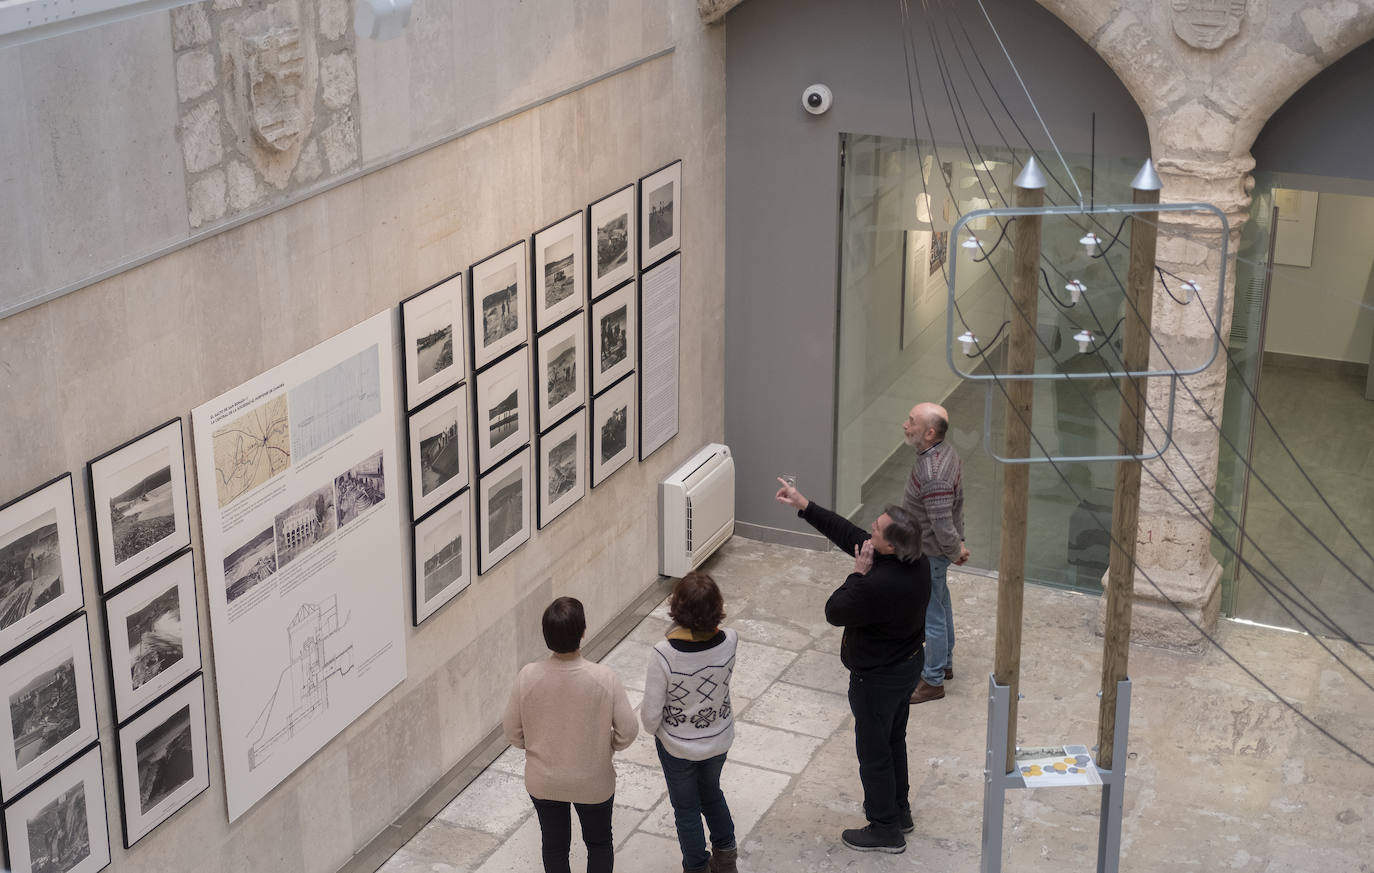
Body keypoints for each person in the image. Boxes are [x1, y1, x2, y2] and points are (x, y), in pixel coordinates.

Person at [775, 480, 930, 854]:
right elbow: (851, 535)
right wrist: (804, 504)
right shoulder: (916, 560)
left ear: (889, 545)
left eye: (876, 530)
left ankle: (885, 829)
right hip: (907, 666)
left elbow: (834, 611)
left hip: (877, 679)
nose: (869, 531)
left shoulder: (877, 584)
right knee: (893, 741)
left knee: (874, 752)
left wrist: (857, 575)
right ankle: (900, 811)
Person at [503, 597, 639, 873]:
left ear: (545, 635)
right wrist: (606, 747)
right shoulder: (604, 678)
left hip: (544, 781)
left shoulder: (527, 677)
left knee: (554, 845)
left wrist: (538, 745)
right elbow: (628, 730)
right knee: (599, 843)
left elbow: (513, 733)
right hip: (593, 779)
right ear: (583, 631)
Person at [641, 572, 739, 873]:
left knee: (686, 810)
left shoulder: (664, 655)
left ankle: (696, 867)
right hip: (719, 739)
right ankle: (726, 858)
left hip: (678, 747)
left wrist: (657, 730)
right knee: (712, 793)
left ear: (676, 607)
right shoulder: (731, 640)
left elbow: (650, 714)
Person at [901, 402, 969, 705]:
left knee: (932, 616)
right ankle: (945, 662)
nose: (905, 425)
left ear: (929, 433)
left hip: (929, 553)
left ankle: (932, 680)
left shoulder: (934, 472)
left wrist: (955, 550)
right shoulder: (943, 453)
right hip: (934, 551)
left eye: (911, 421)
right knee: (941, 604)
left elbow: (941, 523)